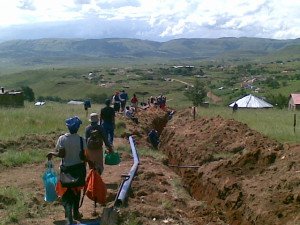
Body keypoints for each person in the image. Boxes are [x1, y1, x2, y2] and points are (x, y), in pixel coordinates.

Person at [47, 116, 86, 225]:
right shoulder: (82, 140)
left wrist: (52, 153)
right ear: (78, 128)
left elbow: (62, 154)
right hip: (78, 169)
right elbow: (83, 157)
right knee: (77, 190)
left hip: (66, 169)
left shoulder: (62, 139)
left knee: (66, 191)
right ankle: (76, 212)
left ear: (68, 127)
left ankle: (67, 212)